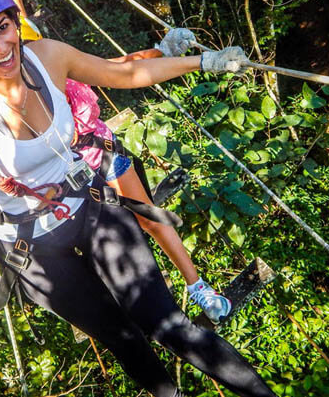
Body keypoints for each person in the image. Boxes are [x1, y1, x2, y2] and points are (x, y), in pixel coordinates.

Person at [0, 0, 277, 397]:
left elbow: (122, 72)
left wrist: (204, 62)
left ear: (16, 23)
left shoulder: (46, 57)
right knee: (122, 338)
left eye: (4, 28)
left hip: (87, 203)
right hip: (29, 243)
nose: (1, 47)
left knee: (166, 324)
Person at [66, 28, 231, 324]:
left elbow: (123, 65)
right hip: (75, 179)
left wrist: (163, 51)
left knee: (149, 219)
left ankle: (198, 287)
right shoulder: (23, 103)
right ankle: (137, 311)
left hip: (103, 157)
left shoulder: (67, 69)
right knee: (113, 247)